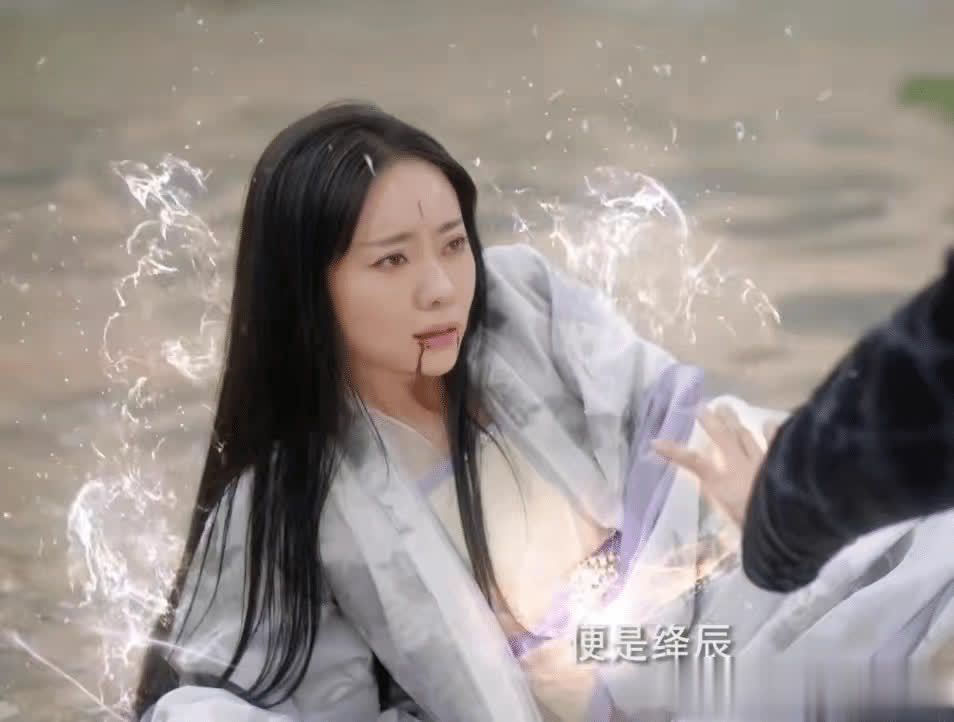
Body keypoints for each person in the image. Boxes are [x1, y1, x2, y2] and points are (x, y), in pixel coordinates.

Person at [132, 100, 954, 722]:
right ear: (308, 288)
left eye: (453, 244)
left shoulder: (520, 308)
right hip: (638, 673)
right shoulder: (290, 498)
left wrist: (758, 506)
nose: (439, 287)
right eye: (391, 261)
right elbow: (226, 695)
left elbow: (665, 431)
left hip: (704, 593)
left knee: (918, 566)